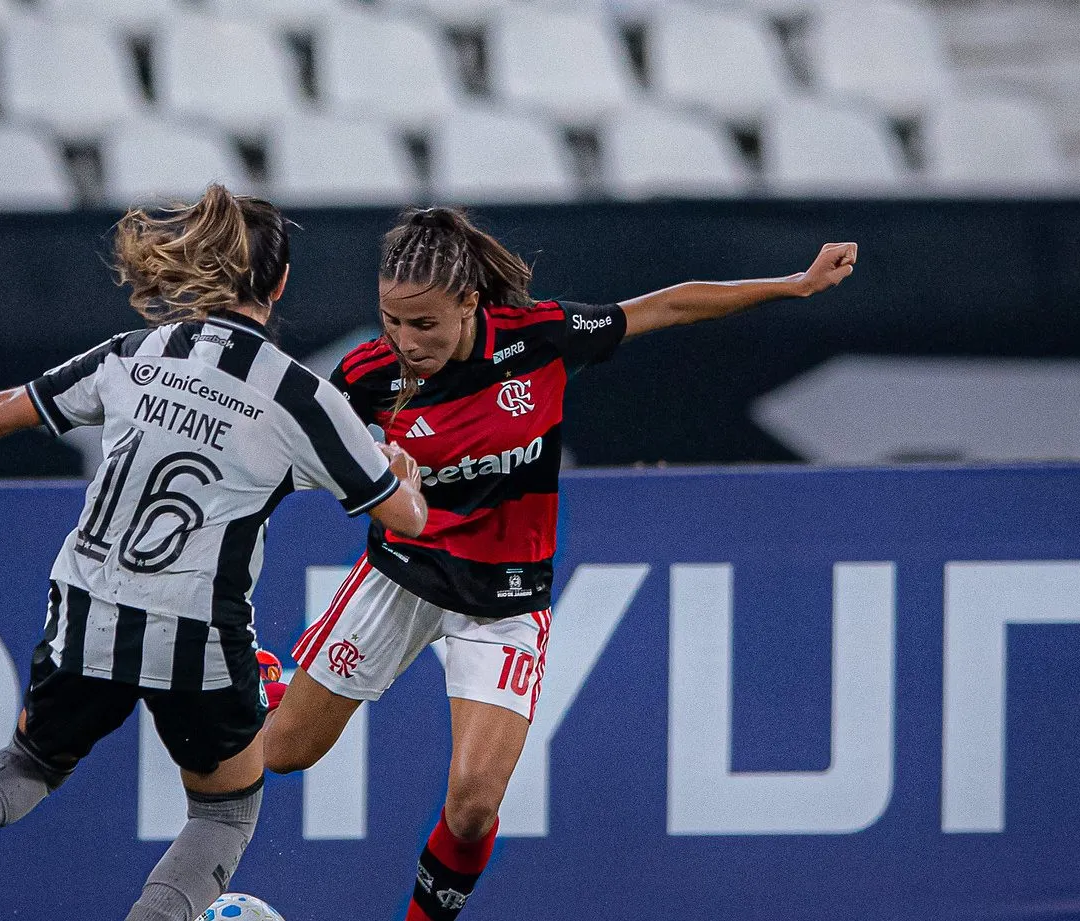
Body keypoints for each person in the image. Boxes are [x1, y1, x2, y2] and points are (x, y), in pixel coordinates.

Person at [0, 185, 428, 919]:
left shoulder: (137, 352)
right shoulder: (303, 399)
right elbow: (403, 518)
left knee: (28, 761)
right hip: (194, 627)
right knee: (223, 814)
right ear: (279, 284)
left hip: (83, 604)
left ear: (201, 269)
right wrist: (402, 475)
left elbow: (1, 412)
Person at [260, 206, 857, 921]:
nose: (406, 341)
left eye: (425, 324)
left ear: (470, 303)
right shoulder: (365, 376)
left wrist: (792, 283)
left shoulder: (538, 337)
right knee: (281, 756)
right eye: (392, 321)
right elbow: (293, 452)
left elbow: (667, 304)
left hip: (505, 599)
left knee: (475, 803)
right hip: (401, 579)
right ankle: (268, 681)